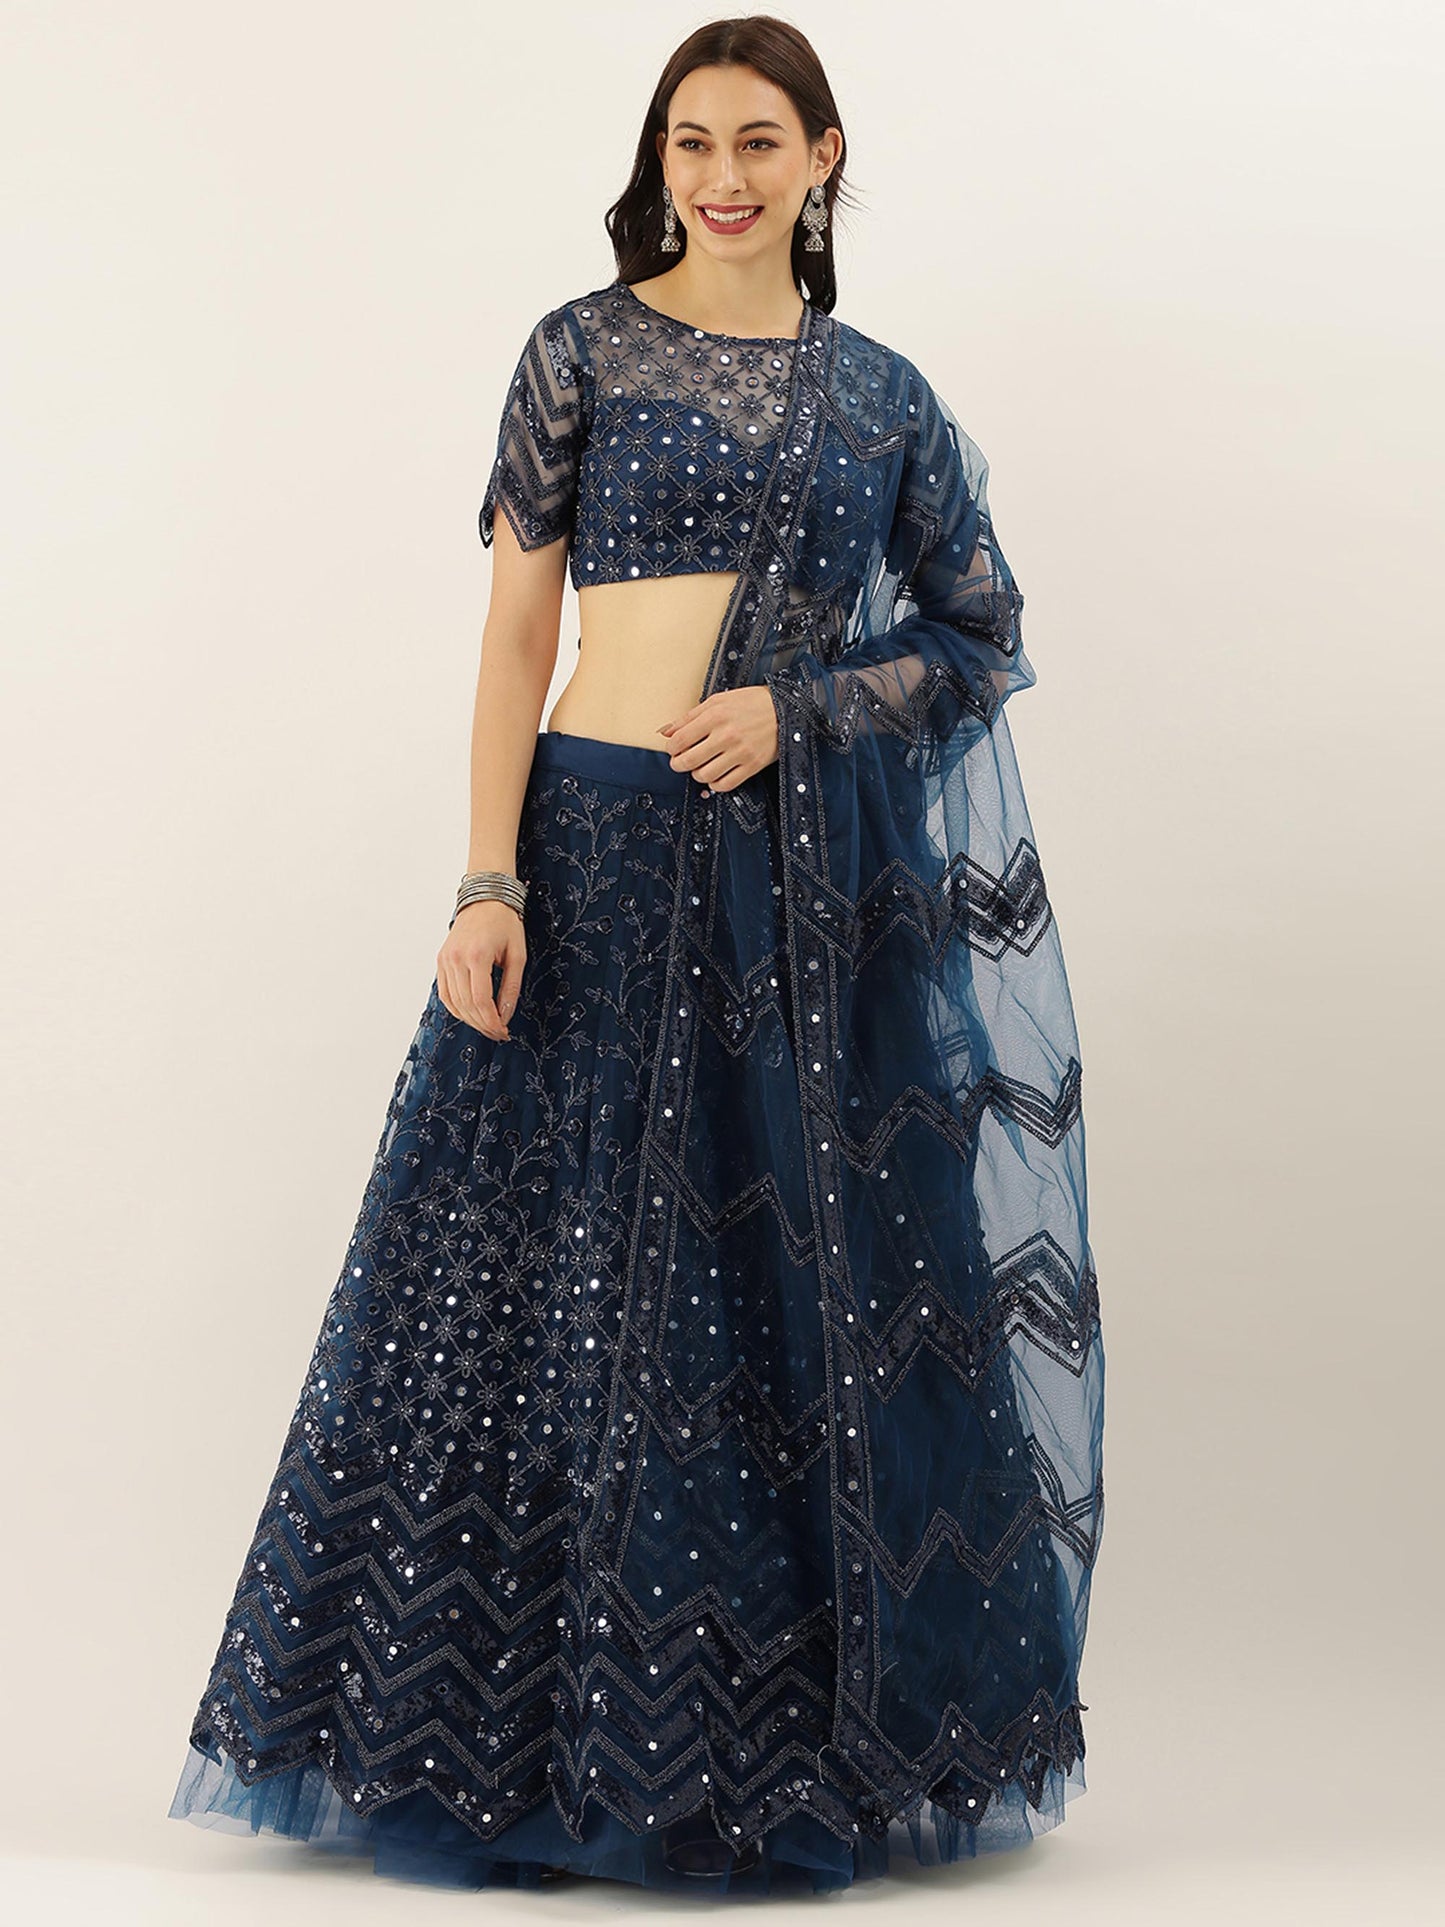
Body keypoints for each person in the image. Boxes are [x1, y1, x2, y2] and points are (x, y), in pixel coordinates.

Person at [167, 13, 1106, 1897]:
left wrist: (803, 710)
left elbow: (980, 634)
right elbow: (518, 640)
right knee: (553, 1279)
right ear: (657, 160)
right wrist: (484, 883)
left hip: (798, 896)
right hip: (590, 859)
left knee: (787, 1295)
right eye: (691, 142)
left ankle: (772, 1744)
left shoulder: (883, 400)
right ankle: (515, 1745)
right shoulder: (580, 349)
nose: (722, 177)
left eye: (759, 141)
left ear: (825, 159)